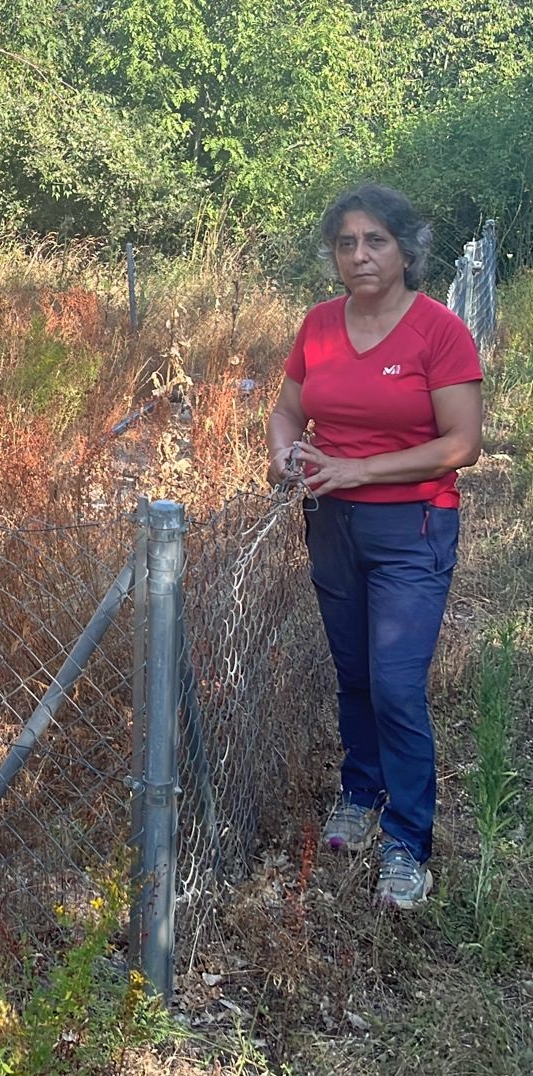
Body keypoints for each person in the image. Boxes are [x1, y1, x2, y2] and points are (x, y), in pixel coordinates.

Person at [266, 183, 483, 909]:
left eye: (375, 241)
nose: (359, 256)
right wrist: (284, 455)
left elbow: (461, 444)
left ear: (405, 249)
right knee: (354, 672)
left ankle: (408, 842)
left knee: (395, 684)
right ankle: (360, 795)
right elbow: (288, 410)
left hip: (411, 527)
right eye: (345, 244)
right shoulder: (320, 326)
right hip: (331, 524)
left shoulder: (438, 331)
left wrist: (357, 468)